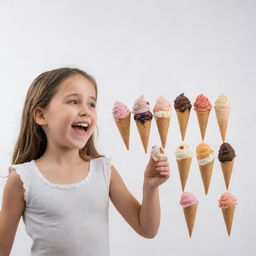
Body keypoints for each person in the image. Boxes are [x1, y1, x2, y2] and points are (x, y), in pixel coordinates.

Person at [0, 67, 170, 256]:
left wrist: (150, 187)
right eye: (73, 101)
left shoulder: (104, 170)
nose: (86, 111)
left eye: (91, 104)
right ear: (41, 115)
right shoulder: (23, 179)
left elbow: (146, 229)